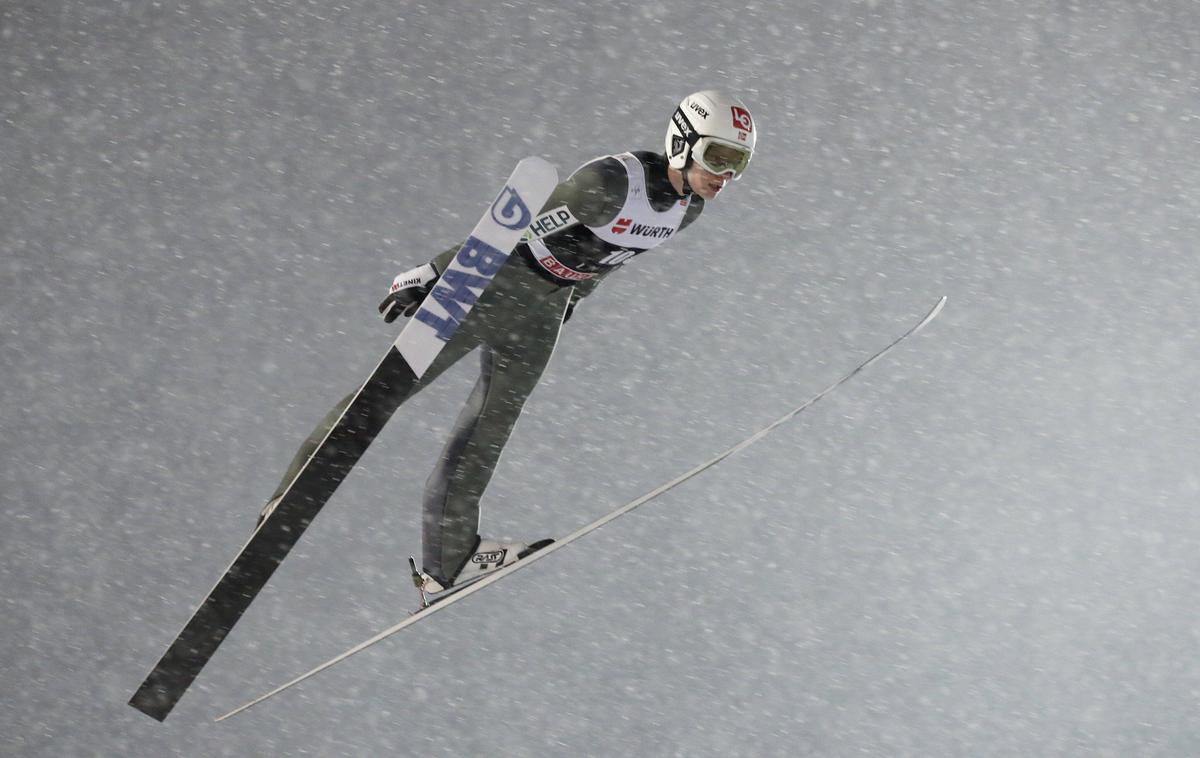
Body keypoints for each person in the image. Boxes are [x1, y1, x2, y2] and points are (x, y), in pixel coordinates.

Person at [262, 89, 757, 600]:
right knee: (389, 391)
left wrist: (572, 300)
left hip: (544, 308)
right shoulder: (608, 184)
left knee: (492, 423)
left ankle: (449, 559)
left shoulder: (687, 210)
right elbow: (509, 228)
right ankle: (290, 494)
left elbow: (615, 256)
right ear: (683, 140)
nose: (726, 175)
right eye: (718, 157)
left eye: (738, 164)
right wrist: (432, 272)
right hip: (495, 286)